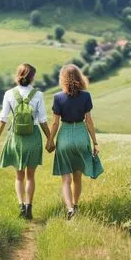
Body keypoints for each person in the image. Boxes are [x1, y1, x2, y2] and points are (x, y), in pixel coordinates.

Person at [0, 63, 51, 220]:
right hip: (33, 137)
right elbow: (43, 120)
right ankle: (29, 207)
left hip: (15, 138)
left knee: (19, 176)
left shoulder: (9, 94)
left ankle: (20, 207)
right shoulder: (38, 95)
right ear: (31, 77)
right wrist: (50, 139)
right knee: (31, 176)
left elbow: (3, 119)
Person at [46, 64, 103, 220]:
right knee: (77, 177)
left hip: (64, 137)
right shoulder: (86, 96)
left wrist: (50, 140)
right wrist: (95, 142)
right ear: (79, 77)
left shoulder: (58, 98)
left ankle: (69, 208)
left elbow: (55, 123)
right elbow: (89, 121)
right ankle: (76, 205)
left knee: (66, 179)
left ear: (63, 79)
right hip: (81, 136)